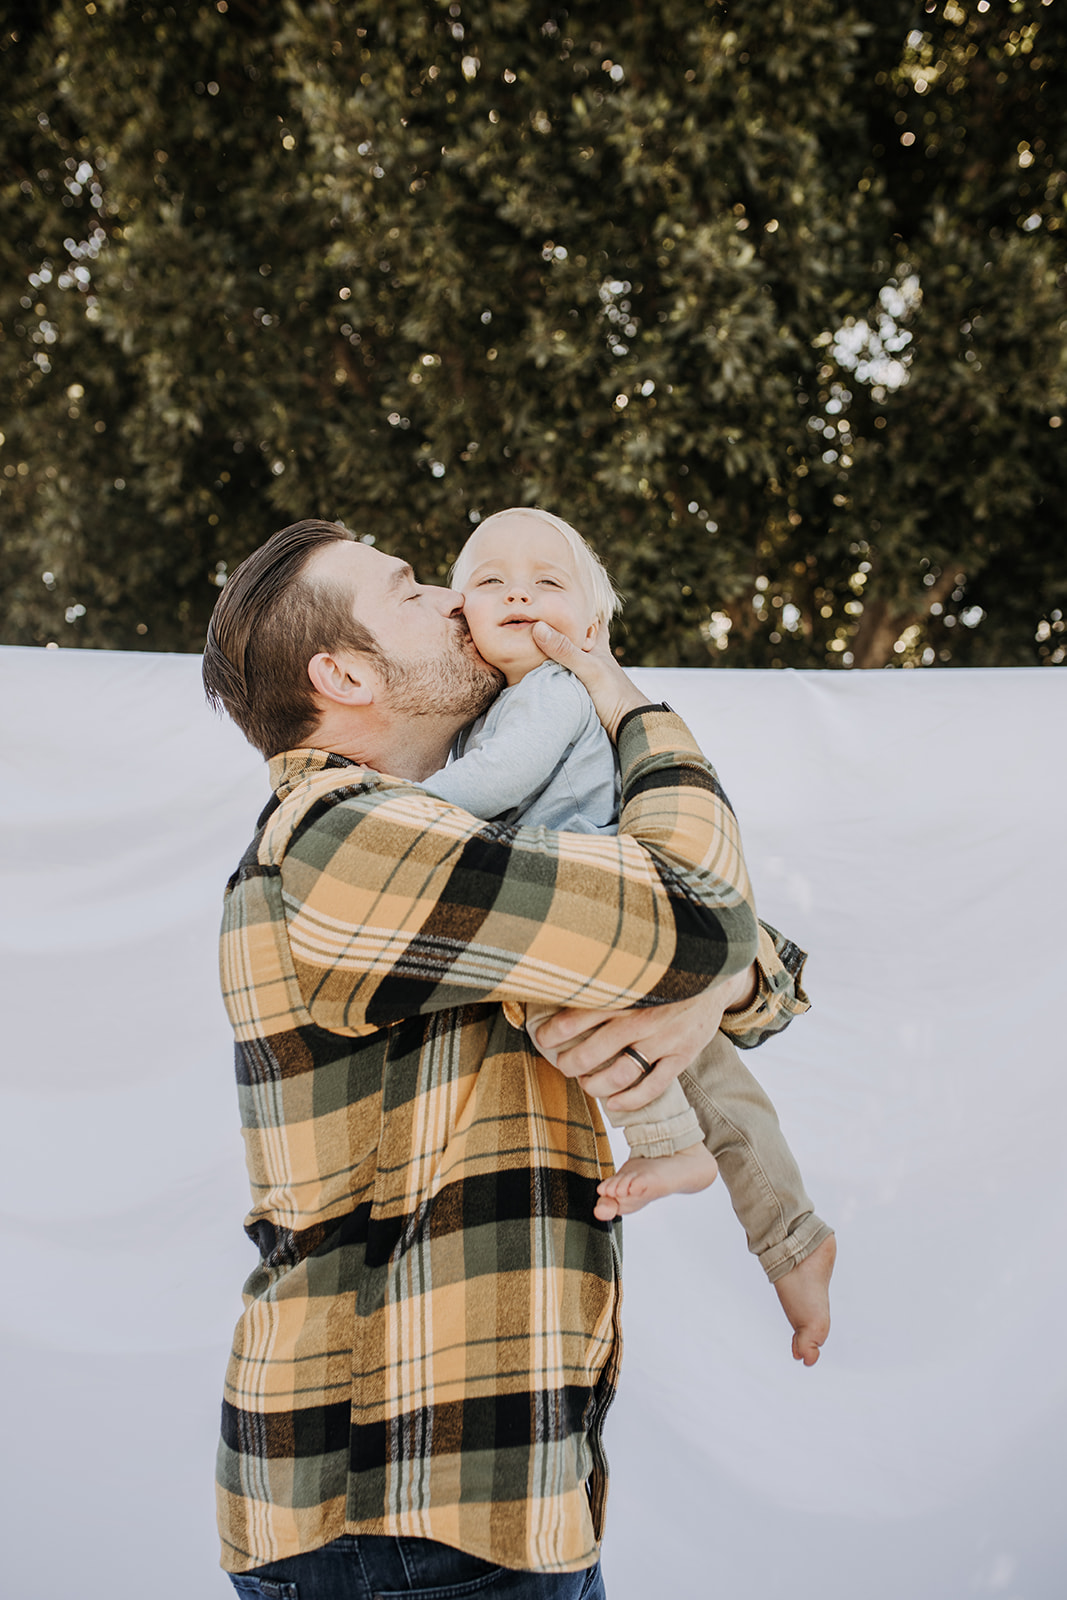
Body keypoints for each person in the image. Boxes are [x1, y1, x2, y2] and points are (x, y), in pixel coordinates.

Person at [202, 517, 818, 1599]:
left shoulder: (466, 842)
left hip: (482, 1505)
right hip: (393, 1511)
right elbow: (704, 914)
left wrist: (703, 983)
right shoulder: (336, 837)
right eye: (408, 590)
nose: (453, 597)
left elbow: (761, 974)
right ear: (342, 671)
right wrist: (624, 697)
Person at [420, 508, 834, 1294]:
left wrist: (402, 802)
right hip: (616, 899)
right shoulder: (486, 710)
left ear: (592, 624)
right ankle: (790, 1234)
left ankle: (671, 1144)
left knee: (562, 1019)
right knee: (710, 1071)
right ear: (458, 611)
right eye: (490, 582)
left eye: (547, 582)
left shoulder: (550, 687)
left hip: (597, 893)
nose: (519, 595)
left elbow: (502, 780)